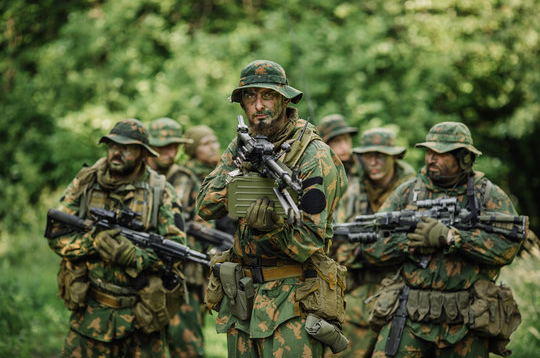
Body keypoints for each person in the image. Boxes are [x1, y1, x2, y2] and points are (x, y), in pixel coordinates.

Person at [196, 59, 348, 357]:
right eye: (250, 97)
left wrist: (272, 228)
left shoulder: (313, 156)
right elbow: (205, 206)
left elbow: (309, 241)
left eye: (267, 96)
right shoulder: (243, 144)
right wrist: (238, 177)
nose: (258, 105)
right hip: (244, 298)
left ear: (284, 99)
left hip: (293, 301)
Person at [361, 122, 524, 357]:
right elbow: (371, 247)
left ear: (464, 158)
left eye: (440, 153)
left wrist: (452, 237)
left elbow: (507, 247)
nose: (431, 159)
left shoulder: (487, 195)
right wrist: (410, 241)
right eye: (429, 152)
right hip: (407, 315)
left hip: (467, 319)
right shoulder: (407, 193)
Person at [47, 118, 187, 357]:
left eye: (128, 148)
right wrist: (92, 244)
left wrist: (136, 257)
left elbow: (176, 252)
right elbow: (57, 236)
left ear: (144, 154)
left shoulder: (160, 191)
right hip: (90, 314)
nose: (117, 153)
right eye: (113, 146)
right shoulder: (86, 182)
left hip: (142, 318)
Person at [321, 125, 416, 358]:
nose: (373, 162)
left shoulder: (414, 191)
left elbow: (416, 243)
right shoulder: (353, 189)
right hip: (361, 293)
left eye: (380, 155)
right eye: (368, 156)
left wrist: (374, 250)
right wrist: (366, 254)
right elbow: (338, 243)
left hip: (407, 292)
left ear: (394, 156)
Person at [147, 118, 207, 358]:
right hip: (142, 274)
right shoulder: (136, 178)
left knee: (187, 347)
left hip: (180, 276)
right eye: (164, 146)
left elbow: (204, 225)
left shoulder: (186, 179)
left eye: (175, 147)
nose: (170, 152)